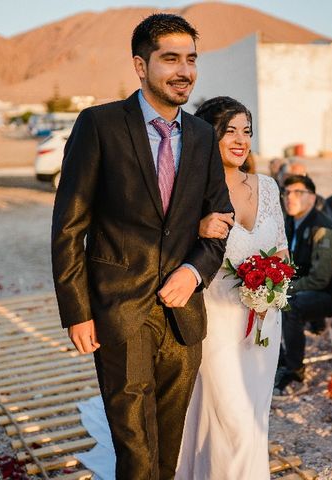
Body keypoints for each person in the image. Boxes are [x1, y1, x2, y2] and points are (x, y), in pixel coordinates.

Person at [51, 14, 233, 479]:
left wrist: (192, 272)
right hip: (119, 308)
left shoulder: (201, 136)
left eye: (191, 59)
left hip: (182, 313)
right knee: (134, 448)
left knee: (167, 446)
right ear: (140, 65)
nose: (184, 71)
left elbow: (220, 222)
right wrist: (77, 310)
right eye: (170, 58)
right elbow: (70, 225)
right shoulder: (100, 125)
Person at [177, 96, 289, 480]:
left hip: (264, 321)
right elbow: (171, 247)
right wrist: (196, 228)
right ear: (209, 136)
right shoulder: (192, 191)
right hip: (216, 322)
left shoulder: (269, 187)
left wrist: (275, 285)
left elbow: (284, 250)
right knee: (233, 419)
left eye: (246, 131)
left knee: (254, 418)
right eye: (230, 131)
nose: (241, 140)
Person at [273, 175, 332, 396]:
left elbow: (320, 279)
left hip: (329, 294)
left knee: (290, 305)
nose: (289, 198)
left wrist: (283, 289)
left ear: (312, 199)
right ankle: (278, 362)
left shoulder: (322, 229)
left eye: (297, 193)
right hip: (302, 286)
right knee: (261, 297)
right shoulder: (291, 221)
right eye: (287, 192)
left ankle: (295, 371)